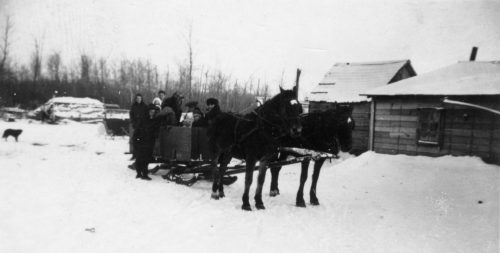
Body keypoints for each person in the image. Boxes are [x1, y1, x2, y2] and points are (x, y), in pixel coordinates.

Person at [133, 104, 161, 180]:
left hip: (150, 142)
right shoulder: (143, 119)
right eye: (151, 111)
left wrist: (155, 134)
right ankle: (139, 173)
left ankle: (144, 173)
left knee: (147, 159)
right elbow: (137, 130)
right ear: (148, 111)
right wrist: (136, 140)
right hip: (142, 141)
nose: (152, 113)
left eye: (153, 112)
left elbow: (156, 130)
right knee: (140, 158)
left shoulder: (155, 120)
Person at [129, 94, 148, 159]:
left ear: (141, 99)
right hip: (136, 126)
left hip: (143, 126)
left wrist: (144, 124)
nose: (138, 99)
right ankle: (134, 155)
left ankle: (141, 155)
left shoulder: (145, 106)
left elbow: (146, 116)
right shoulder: (133, 106)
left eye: (139, 98)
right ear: (136, 99)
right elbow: (131, 115)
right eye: (137, 98)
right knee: (135, 140)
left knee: (142, 141)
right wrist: (133, 123)